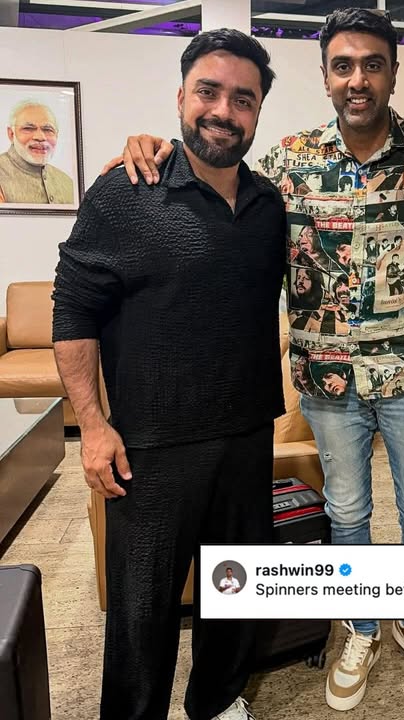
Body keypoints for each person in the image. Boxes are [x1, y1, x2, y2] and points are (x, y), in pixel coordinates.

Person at [101, 8, 404, 712]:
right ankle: (361, 623)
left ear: (392, 74)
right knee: (347, 513)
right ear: (325, 77)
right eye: (343, 66)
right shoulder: (288, 163)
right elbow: (213, 169)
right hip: (328, 384)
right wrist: (155, 150)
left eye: (373, 65)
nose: (358, 79)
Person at [52, 29, 287, 720]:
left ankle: (216, 701)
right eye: (208, 92)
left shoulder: (270, 205)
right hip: (150, 447)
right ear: (181, 97)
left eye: (242, 99)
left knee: (235, 591)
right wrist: (92, 426)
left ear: (257, 111)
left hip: (247, 434)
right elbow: (72, 311)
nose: (223, 111)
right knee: (142, 612)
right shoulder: (125, 192)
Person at [0, 100, 74, 204]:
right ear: (11, 134)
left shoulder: (67, 183)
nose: (40, 137)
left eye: (48, 130)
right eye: (28, 128)